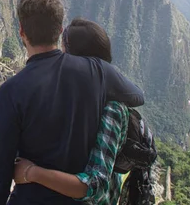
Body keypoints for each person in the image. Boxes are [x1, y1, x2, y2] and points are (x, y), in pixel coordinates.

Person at [0, 0, 144, 204]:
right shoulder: (97, 71)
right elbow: (136, 96)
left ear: (21, 32)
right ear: (60, 30)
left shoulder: (12, 91)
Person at [13, 18, 134, 204]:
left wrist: (32, 173)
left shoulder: (112, 108)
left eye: (63, 51)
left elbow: (96, 186)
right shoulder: (71, 96)